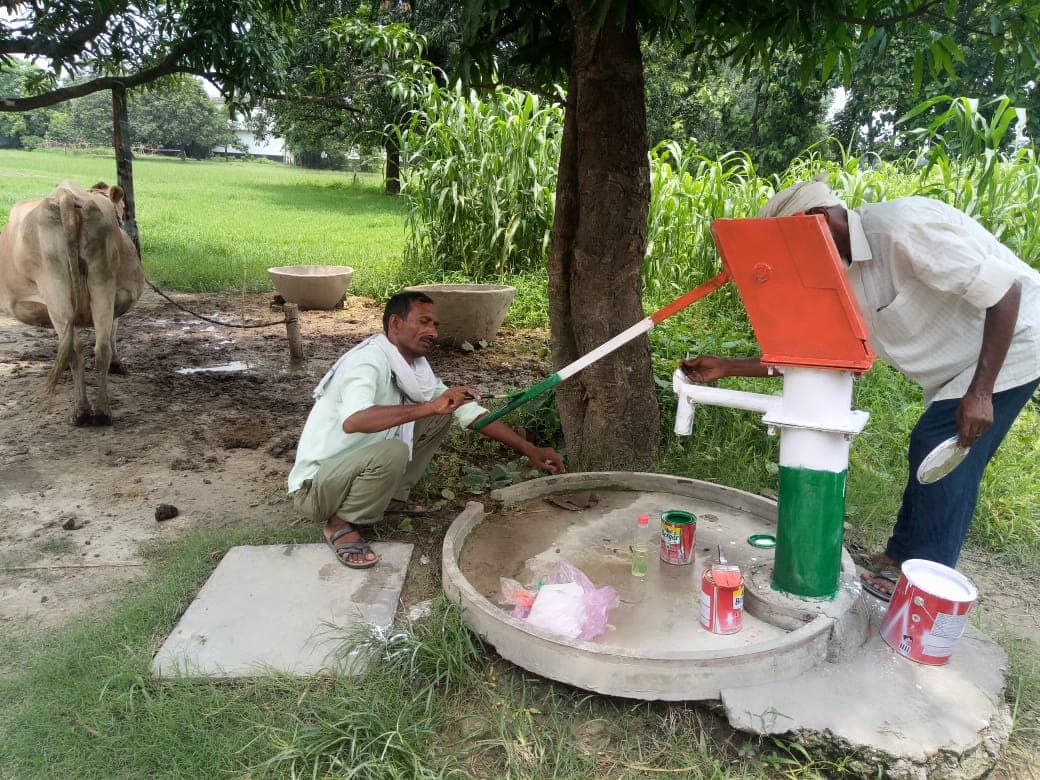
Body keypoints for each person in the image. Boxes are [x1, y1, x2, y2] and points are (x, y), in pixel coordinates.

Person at [681, 175, 1040, 600]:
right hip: (956, 362)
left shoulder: (903, 228)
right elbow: (814, 356)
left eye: (792, 245)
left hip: (1016, 341)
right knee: (927, 446)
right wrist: (727, 367)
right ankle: (898, 557)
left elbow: (1006, 293)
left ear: (817, 220)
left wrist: (981, 392)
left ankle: (923, 587)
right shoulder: (833, 275)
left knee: (945, 450)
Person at [288, 290, 566, 569]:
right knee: (396, 447)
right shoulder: (366, 362)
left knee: (439, 417)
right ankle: (338, 525)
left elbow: (468, 412)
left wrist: (529, 448)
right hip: (315, 488)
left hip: (351, 470)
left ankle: (391, 498)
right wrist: (430, 407)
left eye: (435, 325)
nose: (432, 332)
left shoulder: (416, 371)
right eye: (424, 322)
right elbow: (355, 420)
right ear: (395, 323)